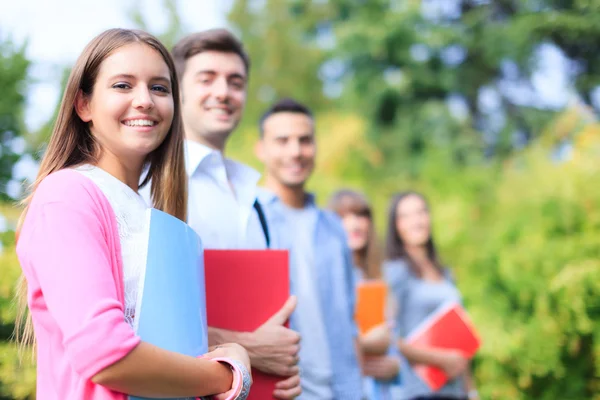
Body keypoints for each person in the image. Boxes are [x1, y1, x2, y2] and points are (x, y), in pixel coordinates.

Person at [14, 28, 250, 400]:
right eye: (123, 85)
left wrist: (234, 346)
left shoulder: (150, 211)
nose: (145, 101)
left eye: (160, 88)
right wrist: (228, 378)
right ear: (84, 105)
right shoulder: (67, 195)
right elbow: (105, 354)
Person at [165, 29, 301, 399]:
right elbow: (142, 321)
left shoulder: (255, 197)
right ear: (178, 90)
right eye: (206, 79)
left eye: (235, 81)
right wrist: (252, 349)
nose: (223, 92)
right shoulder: (156, 184)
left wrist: (282, 372)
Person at [255, 98, 363, 399]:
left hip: (344, 388)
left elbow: (349, 318)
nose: (295, 151)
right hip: (285, 389)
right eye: (282, 140)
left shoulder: (333, 226)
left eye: (304, 140)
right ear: (261, 149)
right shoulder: (249, 217)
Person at [383, 192, 479, 400]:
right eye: (405, 216)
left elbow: (460, 343)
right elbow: (389, 337)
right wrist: (441, 359)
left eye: (421, 212)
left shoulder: (445, 273)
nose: (416, 221)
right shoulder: (395, 272)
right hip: (420, 391)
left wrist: (472, 391)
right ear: (396, 226)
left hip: (456, 390)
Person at [329, 189, 401, 400]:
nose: (355, 224)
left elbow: (399, 338)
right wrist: (362, 344)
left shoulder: (384, 275)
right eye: (344, 216)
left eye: (361, 215)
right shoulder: (324, 278)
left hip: (383, 389)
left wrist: (397, 365)